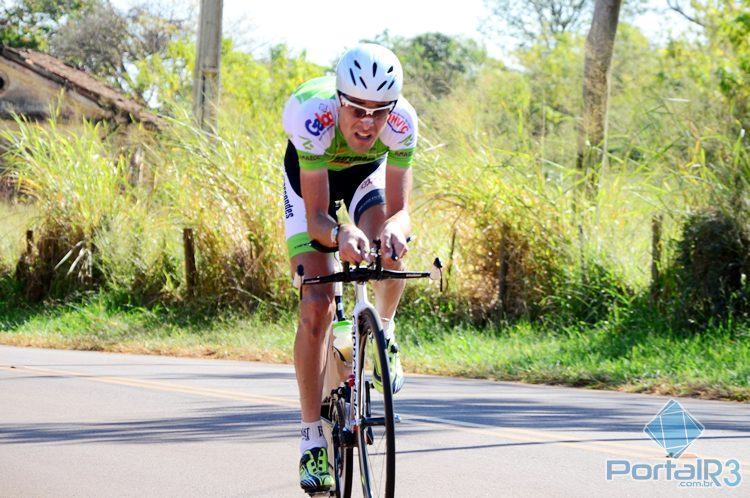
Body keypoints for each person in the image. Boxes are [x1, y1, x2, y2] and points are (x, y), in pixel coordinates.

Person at [281, 43, 418, 493]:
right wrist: (340, 235)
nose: (367, 121)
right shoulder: (309, 116)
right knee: (316, 304)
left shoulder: (401, 125)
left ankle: (386, 333)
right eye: (357, 108)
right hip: (310, 186)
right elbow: (319, 218)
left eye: (379, 112)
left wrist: (394, 229)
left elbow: (401, 211)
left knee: (392, 250)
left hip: (363, 177)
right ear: (339, 100)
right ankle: (310, 439)